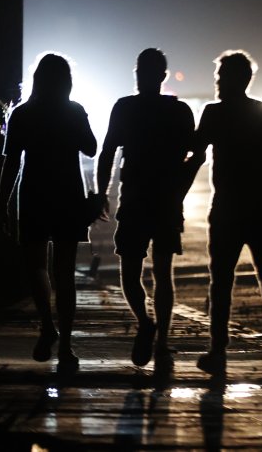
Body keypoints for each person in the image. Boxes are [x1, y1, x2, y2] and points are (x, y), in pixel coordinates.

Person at [183, 50, 262, 384]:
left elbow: (193, 153)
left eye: (222, 77)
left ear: (238, 79)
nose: (218, 83)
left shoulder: (213, 114)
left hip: (228, 209)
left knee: (221, 280)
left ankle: (218, 352)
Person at [0, 52, 98, 371]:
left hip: (34, 195)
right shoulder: (74, 111)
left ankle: (46, 325)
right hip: (69, 194)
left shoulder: (23, 114)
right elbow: (91, 147)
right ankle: (67, 346)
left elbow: (11, 162)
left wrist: (2, 204)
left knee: (36, 267)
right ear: (67, 81)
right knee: (64, 272)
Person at [96, 48, 196, 367]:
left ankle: (149, 325)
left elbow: (108, 152)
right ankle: (159, 337)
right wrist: (181, 187)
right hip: (163, 199)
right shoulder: (178, 111)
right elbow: (196, 154)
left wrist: (103, 192)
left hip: (138, 198)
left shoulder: (125, 108)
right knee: (160, 272)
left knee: (133, 271)